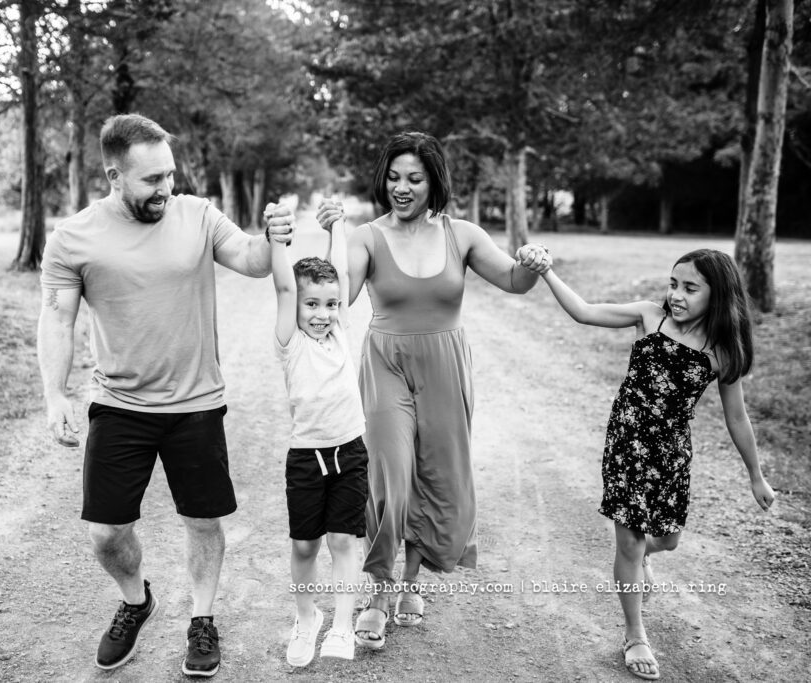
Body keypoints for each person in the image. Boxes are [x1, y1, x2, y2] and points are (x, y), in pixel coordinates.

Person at [36, 113, 295, 678]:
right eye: (152, 179)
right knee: (107, 534)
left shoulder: (197, 215)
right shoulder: (73, 238)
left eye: (170, 175)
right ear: (113, 176)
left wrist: (272, 238)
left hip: (196, 404)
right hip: (119, 404)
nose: (166, 188)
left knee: (203, 521)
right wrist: (55, 394)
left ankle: (202, 619)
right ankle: (135, 600)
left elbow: (251, 261)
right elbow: (58, 319)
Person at [316, 132, 551, 649]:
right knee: (389, 474)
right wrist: (333, 236)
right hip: (386, 363)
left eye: (414, 179)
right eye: (394, 177)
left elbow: (513, 280)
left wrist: (532, 266)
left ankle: (411, 583)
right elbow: (340, 297)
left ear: (433, 182)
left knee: (437, 473)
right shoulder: (367, 237)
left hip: (446, 364)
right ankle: (379, 592)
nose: (402, 188)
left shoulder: (461, 234)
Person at [538, 248, 775, 681]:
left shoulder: (721, 352)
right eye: (673, 284)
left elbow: (736, 417)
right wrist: (547, 271)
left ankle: (643, 558)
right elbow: (584, 311)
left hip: (671, 456)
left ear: (717, 295)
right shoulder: (651, 318)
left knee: (667, 541)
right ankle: (635, 634)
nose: (676, 295)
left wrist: (755, 476)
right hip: (627, 446)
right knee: (627, 543)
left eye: (689, 288)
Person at [268, 205, 367, 666]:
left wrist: (337, 226)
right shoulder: (291, 341)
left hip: (349, 449)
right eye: (313, 304)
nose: (323, 314)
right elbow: (286, 283)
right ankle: (307, 619)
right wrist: (276, 239)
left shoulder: (341, 331)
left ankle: (343, 625)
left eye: (330, 304)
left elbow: (342, 272)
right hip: (307, 457)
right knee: (306, 545)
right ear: (296, 307)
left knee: (344, 541)